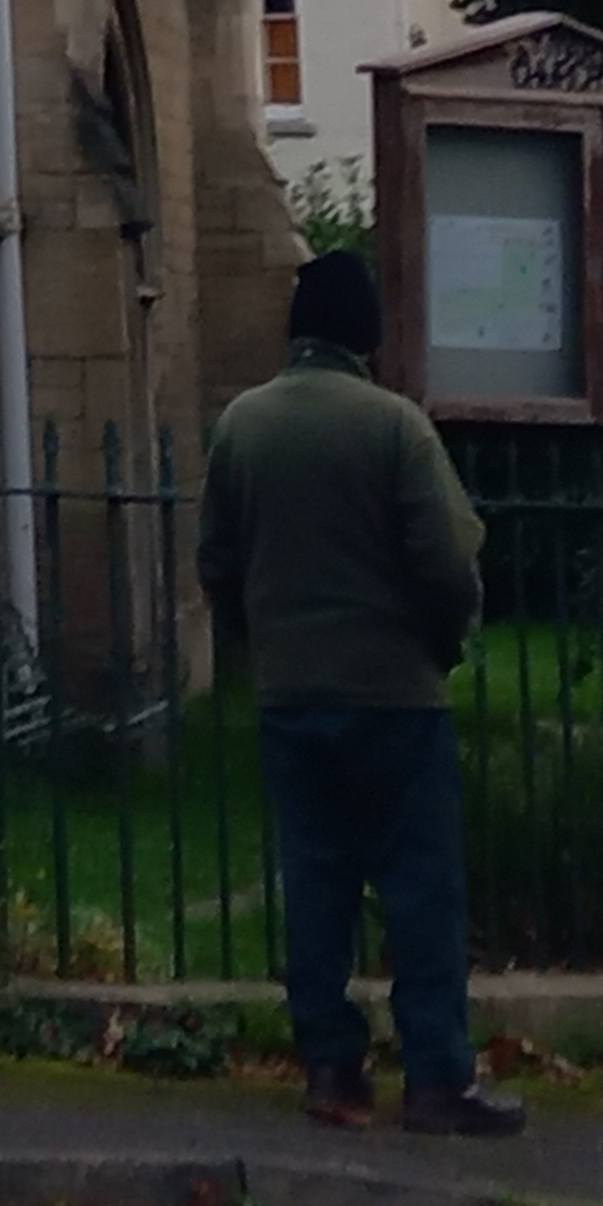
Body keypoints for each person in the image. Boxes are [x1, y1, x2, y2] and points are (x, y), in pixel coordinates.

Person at [200, 243, 517, 1137]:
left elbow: (217, 563)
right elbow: (448, 562)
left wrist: (264, 643)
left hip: (291, 695)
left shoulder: (242, 426)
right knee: (419, 891)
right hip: (395, 697)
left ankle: (332, 1071)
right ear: (366, 335)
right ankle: (436, 1078)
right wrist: (443, 643)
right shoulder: (395, 427)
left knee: (315, 881)